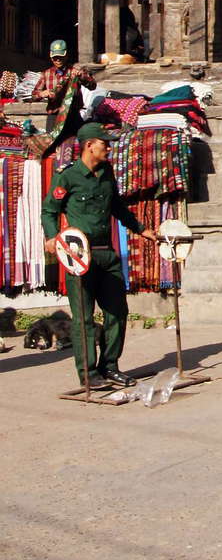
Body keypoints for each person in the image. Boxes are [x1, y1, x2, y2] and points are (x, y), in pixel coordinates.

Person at [40, 122, 158, 388]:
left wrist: (141, 229)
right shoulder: (67, 176)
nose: (109, 147)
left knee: (117, 311)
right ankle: (88, 373)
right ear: (89, 145)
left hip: (107, 254)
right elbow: (49, 210)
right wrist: (51, 236)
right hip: (79, 256)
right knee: (83, 318)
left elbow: (116, 206)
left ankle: (110, 366)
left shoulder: (106, 172)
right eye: (104, 143)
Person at [32, 39, 96, 130]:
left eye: (61, 57)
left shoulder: (75, 71)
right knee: (51, 142)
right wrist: (41, 94)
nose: (58, 60)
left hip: (72, 116)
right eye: (55, 57)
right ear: (51, 57)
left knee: (74, 143)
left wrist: (82, 76)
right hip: (54, 116)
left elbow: (93, 86)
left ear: (66, 56)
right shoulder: (46, 74)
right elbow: (33, 95)